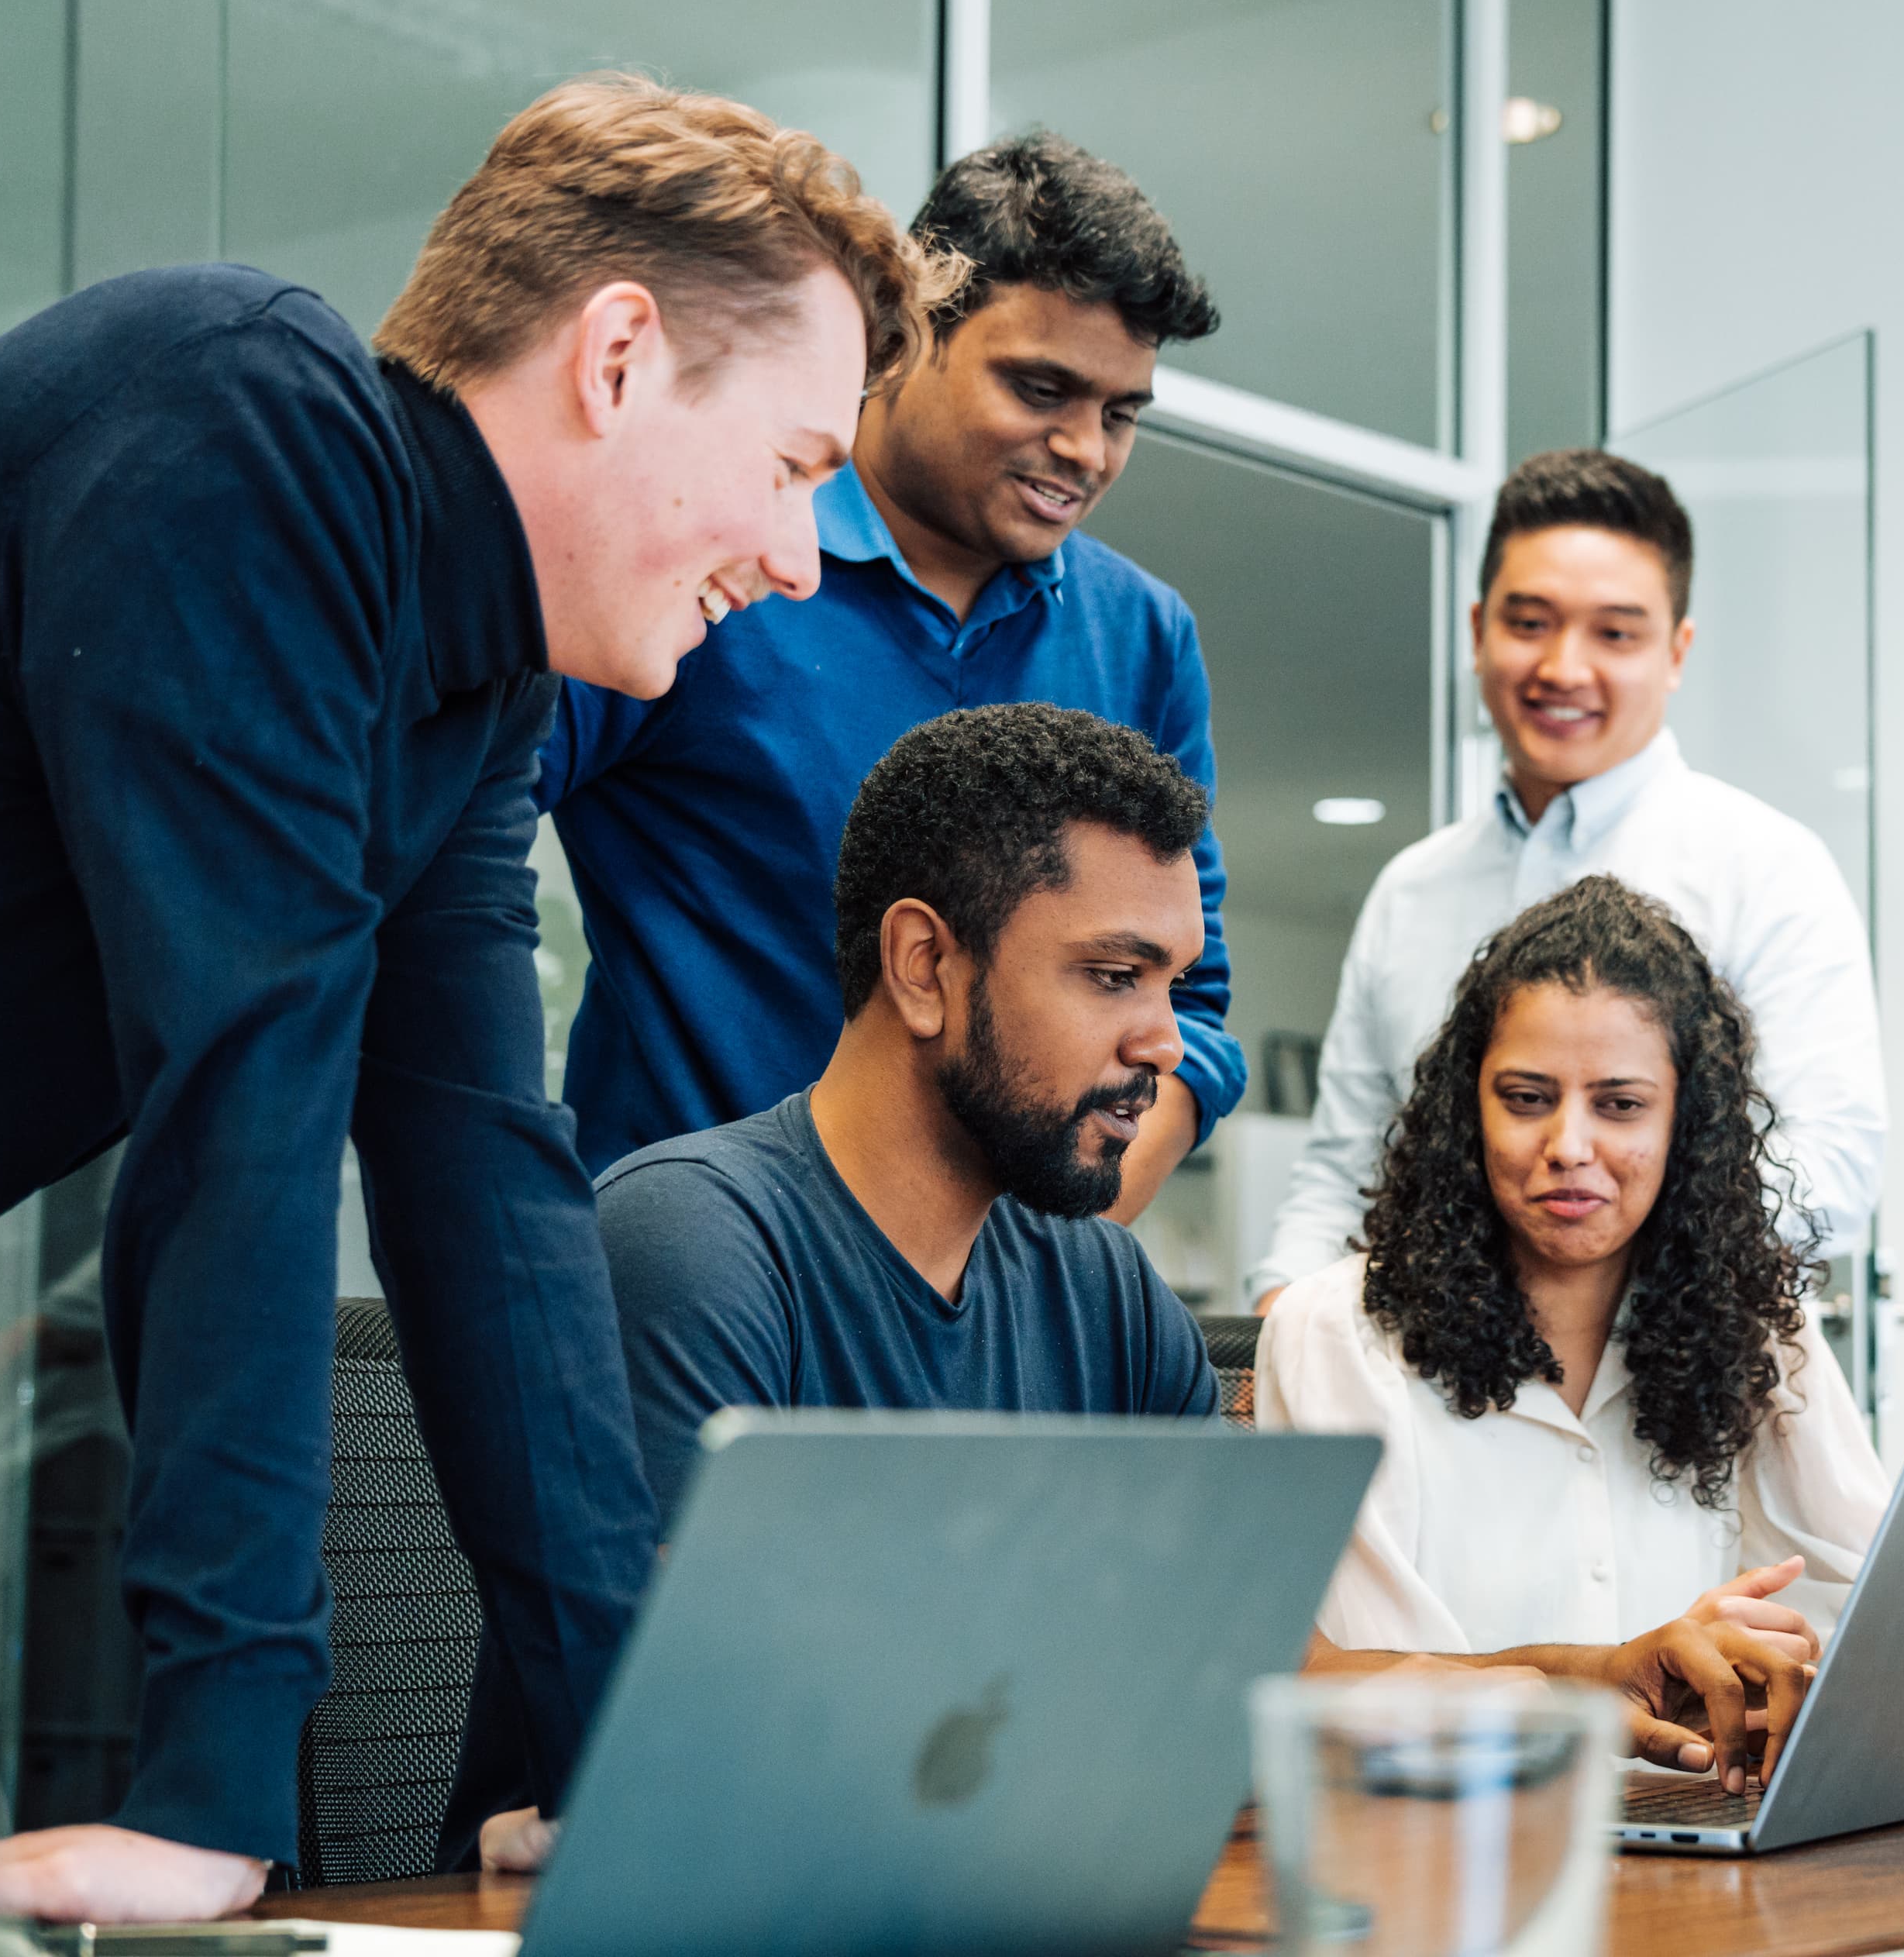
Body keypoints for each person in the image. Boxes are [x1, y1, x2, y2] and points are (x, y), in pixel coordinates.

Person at [0, 77, 945, 1920]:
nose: (799, 559)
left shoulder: (466, 700)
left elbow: (484, 1197)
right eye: (794, 467)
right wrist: (212, 1789)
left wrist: (625, 1758)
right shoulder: (234, 417)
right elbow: (241, 1107)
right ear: (619, 355)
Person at [470, 709, 1815, 1871]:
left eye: (1170, 983)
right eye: (1114, 977)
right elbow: (708, 1739)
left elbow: (1274, 1676)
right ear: (925, 966)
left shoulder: (1100, 1286)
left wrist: (1591, 1679)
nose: (1165, 1042)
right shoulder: (692, 1243)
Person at [538, 130, 1242, 1223]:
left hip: (987, 1305)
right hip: (686, 1267)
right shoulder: (722, 556)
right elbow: (457, 841)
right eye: (1042, 388)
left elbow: (1188, 1003)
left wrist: (1047, 1259)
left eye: (1119, 414)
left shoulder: (1142, 635)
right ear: (908, 337)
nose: (1085, 450)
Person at [1252, 450, 1887, 1301]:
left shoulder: (1766, 868)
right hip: (1433, 1362)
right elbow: (1345, 1169)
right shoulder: (1413, 889)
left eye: (1615, 633)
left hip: (1680, 1364)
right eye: (1530, 622)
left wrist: (1588, 1270)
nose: (1563, 668)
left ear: (1676, 651)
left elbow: (1831, 1169)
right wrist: (1282, 1313)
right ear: (1478, 631)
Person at [1258, 875, 1892, 1673]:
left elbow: (1878, 1604)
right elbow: (1370, 1686)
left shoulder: (1756, 1331)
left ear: (1685, 1124)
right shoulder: (1335, 1330)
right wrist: (1619, 1677)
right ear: (1468, 1109)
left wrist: (1779, 1673)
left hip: (1694, 1763)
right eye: (1527, 1099)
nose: (1569, 1146)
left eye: (1620, 1105)